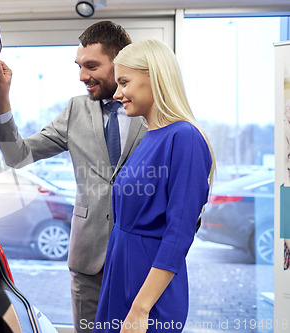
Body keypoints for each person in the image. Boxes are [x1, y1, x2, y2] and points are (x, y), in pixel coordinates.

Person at [0, 21, 147, 332]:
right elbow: (17, 155)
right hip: (88, 259)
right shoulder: (75, 111)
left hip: (139, 259)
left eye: (91, 66)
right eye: (79, 66)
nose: (82, 76)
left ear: (119, 62)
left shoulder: (150, 108)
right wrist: (2, 99)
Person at [93, 39, 215, 333]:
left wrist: (140, 308)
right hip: (121, 274)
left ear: (155, 77)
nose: (117, 93)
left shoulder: (183, 137)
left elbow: (179, 233)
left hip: (148, 290)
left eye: (124, 82)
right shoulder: (150, 136)